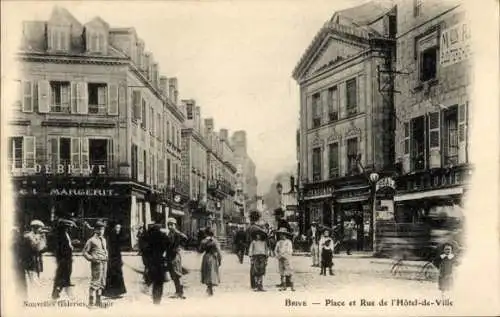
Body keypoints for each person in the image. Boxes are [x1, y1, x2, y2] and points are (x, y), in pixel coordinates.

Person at [82, 221, 109, 308]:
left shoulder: (103, 240)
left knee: (102, 282)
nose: (102, 231)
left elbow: (105, 250)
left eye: (103, 229)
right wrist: (92, 259)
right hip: (96, 264)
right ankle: (90, 302)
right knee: (95, 282)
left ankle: (98, 301)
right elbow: (84, 252)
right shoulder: (91, 240)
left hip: (104, 263)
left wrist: (106, 255)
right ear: (95, 230)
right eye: (100, 229)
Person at [143, 222, 170, 304]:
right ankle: (157, 299)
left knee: (152, 280)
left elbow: (144, 250)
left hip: (151, 262)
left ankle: (153, 296)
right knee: (159, 282)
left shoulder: (147, 236)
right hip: (160, 262)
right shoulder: (163, 236)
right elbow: (168, 246)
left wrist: (146, 263)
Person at [51, 219, 77, 299]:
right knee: (62, 276)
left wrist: (72, 243)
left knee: (64, 276)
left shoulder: (66, 234)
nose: (69, 228)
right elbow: (61, 248)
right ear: (64, 227)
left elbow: (67, 244)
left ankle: (58, 292)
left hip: (67, 258)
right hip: (64, 259)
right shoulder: (60, 235)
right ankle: (58, 292)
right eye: (68, 227)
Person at [23, 220, 48, 293]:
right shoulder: (28, 236)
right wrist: (40, 237)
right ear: (34, 228)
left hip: (37, 261)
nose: (41, 230)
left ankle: (35, 294)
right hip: (31, 261)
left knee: (37, 278)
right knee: (34, 281)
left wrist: (43, 238)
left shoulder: (39, 235)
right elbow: (35, 247)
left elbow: (44, 248)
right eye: (40, 228)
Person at [103, 223, 127, 299]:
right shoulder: (113, 237)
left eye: (119, 228)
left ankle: (115, 293)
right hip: (113, 260)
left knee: (116, 275)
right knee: (114, 275)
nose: (118, 229)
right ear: (114, 228)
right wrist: (118, 260)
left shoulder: (115, 237)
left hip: (115, 259)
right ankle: (112, 293)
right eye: (117, 227)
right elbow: (113, 250)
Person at [166, 218, 188, 299]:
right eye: (169, 224)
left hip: (175, 256)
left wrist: (178, 247)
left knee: (177, 274)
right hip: (170, 256)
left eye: (171, 225)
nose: (170, 226)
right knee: (173, 275)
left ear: (175, 225)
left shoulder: (176, 233)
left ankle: (181, 292)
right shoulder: (170, 233)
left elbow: (185, 238)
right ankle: (177, 291)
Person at [200, 227, 222, 296]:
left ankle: (209, 287)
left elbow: (200, 250)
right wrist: (220, 260)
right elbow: (219, 252)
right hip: (213, 257)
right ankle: (210, 288)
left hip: (206, 257)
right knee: (212, 273)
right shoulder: (215, 241)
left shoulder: (203, 241)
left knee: (206, 272)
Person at [12, 227, 27, 299]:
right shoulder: (14, 242)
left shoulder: (18, 241)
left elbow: (22, 253)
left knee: (21, 281)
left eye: (16, 233)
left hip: (19, 264)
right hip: (16, 264)